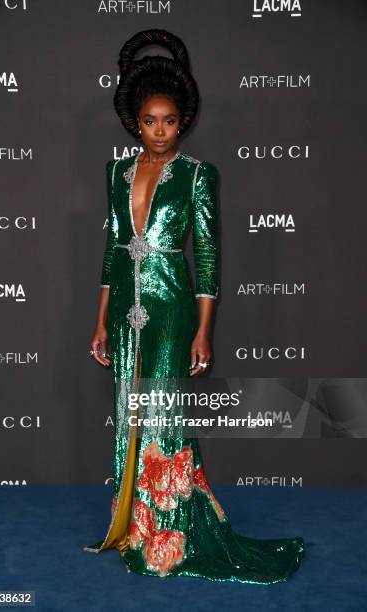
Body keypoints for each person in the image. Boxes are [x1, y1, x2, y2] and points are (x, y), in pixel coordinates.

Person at [83, 28, 305, 582]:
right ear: (137, 121)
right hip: (126, 311)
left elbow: (206, 256)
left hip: (171, 304)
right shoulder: (116, 173)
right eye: (151, 120)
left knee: (162, 413)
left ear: (184, 122)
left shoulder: (199, 176)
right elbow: (113, 247)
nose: (160, 130)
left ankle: (171, 535)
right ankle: (133, 526)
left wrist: (204, 331)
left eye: (170, 121)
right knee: (128, 415)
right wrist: (100, 321)